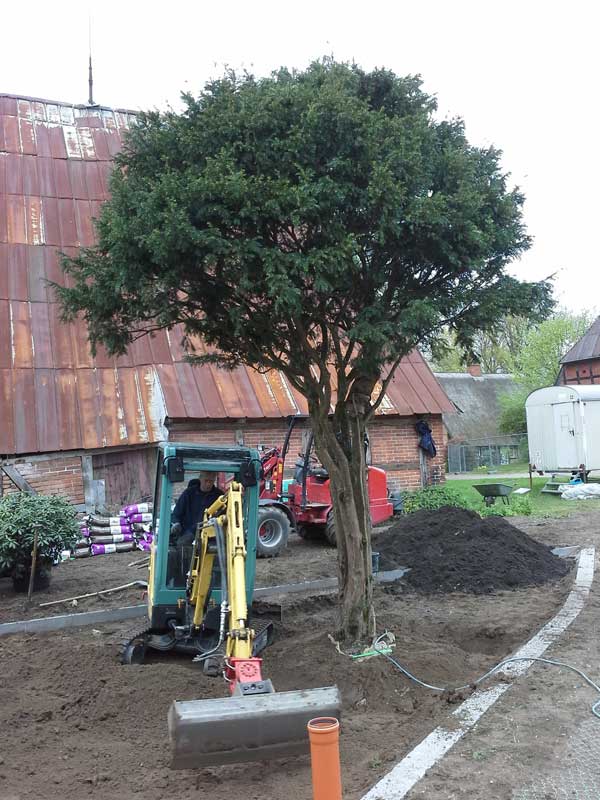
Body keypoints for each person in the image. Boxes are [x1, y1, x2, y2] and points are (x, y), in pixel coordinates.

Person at [170, 471, 224, 546]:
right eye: (206, 480)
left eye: (211, 481)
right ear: (200, 479)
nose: (208, 484)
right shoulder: (188, 494)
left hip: (210, 537)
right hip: (186, 534)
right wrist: (176, 524)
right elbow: (176, 514)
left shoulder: (219, 497)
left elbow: (224, 517)